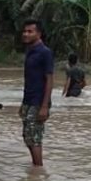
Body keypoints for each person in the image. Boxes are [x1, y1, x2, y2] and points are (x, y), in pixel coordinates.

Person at [20, 19, 54, 166]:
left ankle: (38, 170)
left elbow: (50, 79)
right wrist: (23, 103)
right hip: (28, 100)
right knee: (27, 136)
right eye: (25, 31)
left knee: (34, 138)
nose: (26, 34)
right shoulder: (30, 51)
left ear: (38, 34)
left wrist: (45, 106)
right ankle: (35, 168)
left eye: (30, 31)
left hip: (39, 102)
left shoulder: (45, 53)